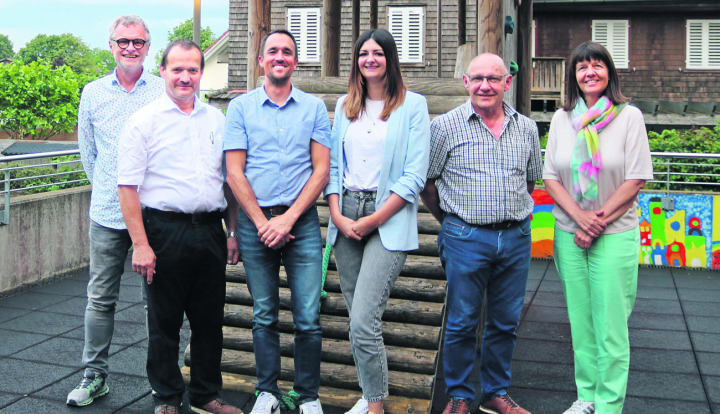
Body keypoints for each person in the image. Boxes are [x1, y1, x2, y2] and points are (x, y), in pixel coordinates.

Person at [117, 39, 243, 414]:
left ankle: (205, 394)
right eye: (178, 69)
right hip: (163, 231)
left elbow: (229, 182)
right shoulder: (143, 121)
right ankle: (167, 398)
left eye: (192, 69)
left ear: (201, 73)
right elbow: (126, 187)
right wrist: (140, 244)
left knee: (210, 321)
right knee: (164, 322)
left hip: (209, 230)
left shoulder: (217, 120)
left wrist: (232, 232)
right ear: (163, 72)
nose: (185, 76)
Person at [420, 53, 541, 414]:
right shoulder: (444, 126)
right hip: (465, 238)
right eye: (477, 78)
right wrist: (452, 222)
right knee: (461, 322)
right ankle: (459, 395)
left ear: (507, 83)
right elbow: (427, 183)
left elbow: (530, 180)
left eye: (493, 78)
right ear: (466, 82)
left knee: (505, 322)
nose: (485, 85)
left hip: (516, 237)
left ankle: (495, 393)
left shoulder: (527, 128)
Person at [542, 41, 653, 414]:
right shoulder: (562, 119)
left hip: (614, 232)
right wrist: (579, 218)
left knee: (610, 326)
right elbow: (551, 178)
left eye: (597, 65)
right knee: (582, 322)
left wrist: (594, 222)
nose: (589, 72)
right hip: (568, 232)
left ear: (609, 72)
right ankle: (586, 397)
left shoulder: (629, 117)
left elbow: (636, 178)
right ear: (573, 76)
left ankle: (608, 405)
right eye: (582, 67)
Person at [224, 29, 330, 414]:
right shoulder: (240, 109)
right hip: (256, 223)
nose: (280, 56)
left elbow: (321, 171)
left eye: (287, 51)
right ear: (261, 60)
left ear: (295, 62)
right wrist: (260, 221)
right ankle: (267, 390)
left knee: (307, 316)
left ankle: (308, 396)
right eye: (273, 51)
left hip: (300, 223)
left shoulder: (314, 108)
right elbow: (234, 172)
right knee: (264, 312)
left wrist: (287, 220)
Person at [324, 29, 430, 414]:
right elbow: (334, 166)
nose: (370, 59)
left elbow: (415, 174)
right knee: (358, 318)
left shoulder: (412, 105)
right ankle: (371, 394)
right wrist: (336, 212)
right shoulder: (343, 105)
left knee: (363, 320)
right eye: (364, 53)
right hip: (346, 212)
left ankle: (375, 406)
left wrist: (372, 220)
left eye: (378, 53)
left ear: (390, 59)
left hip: (386, 216)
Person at [69, 14, 164, 407]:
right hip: (107, 212)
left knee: (159, 300)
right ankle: (95, 375)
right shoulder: (92, 92)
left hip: (156, 212)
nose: (130, 48)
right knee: (100, 298)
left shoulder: (163, 91)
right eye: (123, 41)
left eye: (137, 42)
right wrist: (108, 186)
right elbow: (87, 153)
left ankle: (163, 381)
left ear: (148, 46)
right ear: (111, 45)